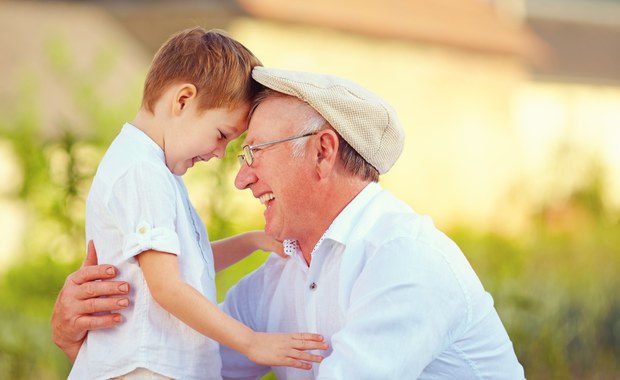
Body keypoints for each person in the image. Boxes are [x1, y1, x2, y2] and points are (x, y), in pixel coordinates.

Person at [53, 67, 525, 379]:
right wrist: (87, 336)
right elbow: (189, 364)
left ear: (322, 152)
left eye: (254, 152)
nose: (241, 178)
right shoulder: (285, 271)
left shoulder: (406, 260)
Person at [66, 30, 327, 380]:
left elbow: (188, 266)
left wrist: (252, 241)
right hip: (146, 368)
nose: (219, 153)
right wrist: (252, 342)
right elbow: (168, 287)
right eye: (221, 135)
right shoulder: (142, 172)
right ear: (183, 100)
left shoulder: (154, 168)